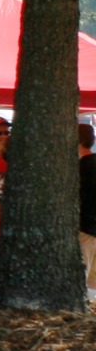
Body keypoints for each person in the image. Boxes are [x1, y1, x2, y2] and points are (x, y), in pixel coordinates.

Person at [80, 123, 96, 291]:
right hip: (93, 230)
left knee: (81, 280)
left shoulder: (82, 167)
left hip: (85, 229)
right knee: (92, 284)